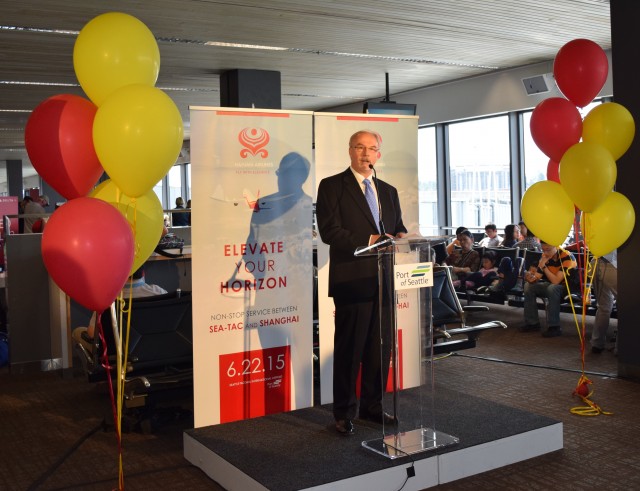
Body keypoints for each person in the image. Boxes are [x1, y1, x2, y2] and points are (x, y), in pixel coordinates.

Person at [316, 130, 407, 436]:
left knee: (378, 350)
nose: (366, 154)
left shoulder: (389, 191)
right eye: (359, 147)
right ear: (350, 150)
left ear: (378, 154)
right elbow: (330, 231)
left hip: (383, 280)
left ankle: (373, 406)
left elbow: (398, 230)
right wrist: (369, 239)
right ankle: (343, 412)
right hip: (352, 281)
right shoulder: (332, 187)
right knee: (349, 350)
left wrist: (406, 238)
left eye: (372, 149)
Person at [72, 267, 168, 352]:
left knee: (78, 331)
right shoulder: (159, 292)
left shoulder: (108, 298)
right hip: (154, 350)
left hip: (117, 353)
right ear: (143, 273)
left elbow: (92, 334)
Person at [521, 241, 576, 337]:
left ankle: (554, 327)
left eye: (548, 250)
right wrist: (530, 278)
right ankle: (532, 323)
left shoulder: (567, 256)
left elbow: (556, 281)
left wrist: (544, 266)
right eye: (543, 250)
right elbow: (537, 277)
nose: (545, 253)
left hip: (567, 287)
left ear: (556, 246)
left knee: (552, 288)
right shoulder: (545, 256)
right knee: (528, 286)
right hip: (551, 285)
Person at [591, 250, 617, 354]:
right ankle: (620, 349)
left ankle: (597, 344)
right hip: (613, 263)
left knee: (603, 307)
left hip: (595, 261)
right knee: (626, 306)